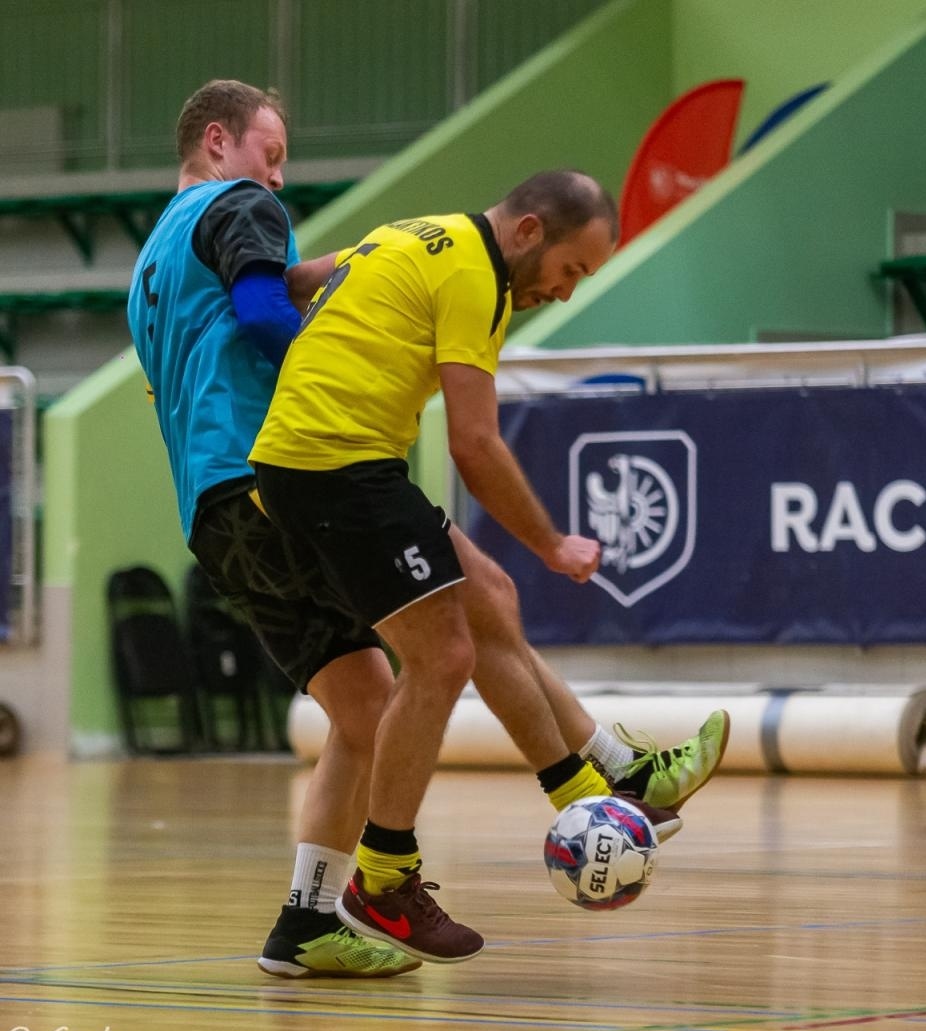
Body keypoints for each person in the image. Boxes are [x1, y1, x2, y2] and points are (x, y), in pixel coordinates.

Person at [129, 82, 726, 975]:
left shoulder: (153, 253)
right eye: (272, 152)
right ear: (218, 143)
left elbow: (269, 293)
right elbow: (262, 311)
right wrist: (336, 358)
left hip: (213, 506)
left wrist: (353, 270)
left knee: (372, 706)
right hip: (278, 467)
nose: (278, 178)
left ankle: (305, 922)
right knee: (470, 614)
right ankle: (593, 779)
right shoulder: (239, 203)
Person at [249, 169, 681, 964]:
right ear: (527, 233)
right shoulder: (475, 278)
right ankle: (382, 881)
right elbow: (474, 445)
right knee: (442, 655)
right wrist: (555, 544)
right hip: (338, 468)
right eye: (570, 270)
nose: (566, 290)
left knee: (488, 598)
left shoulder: (410, 233)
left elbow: (303, 278)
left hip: (314, 465)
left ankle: (597, 787)